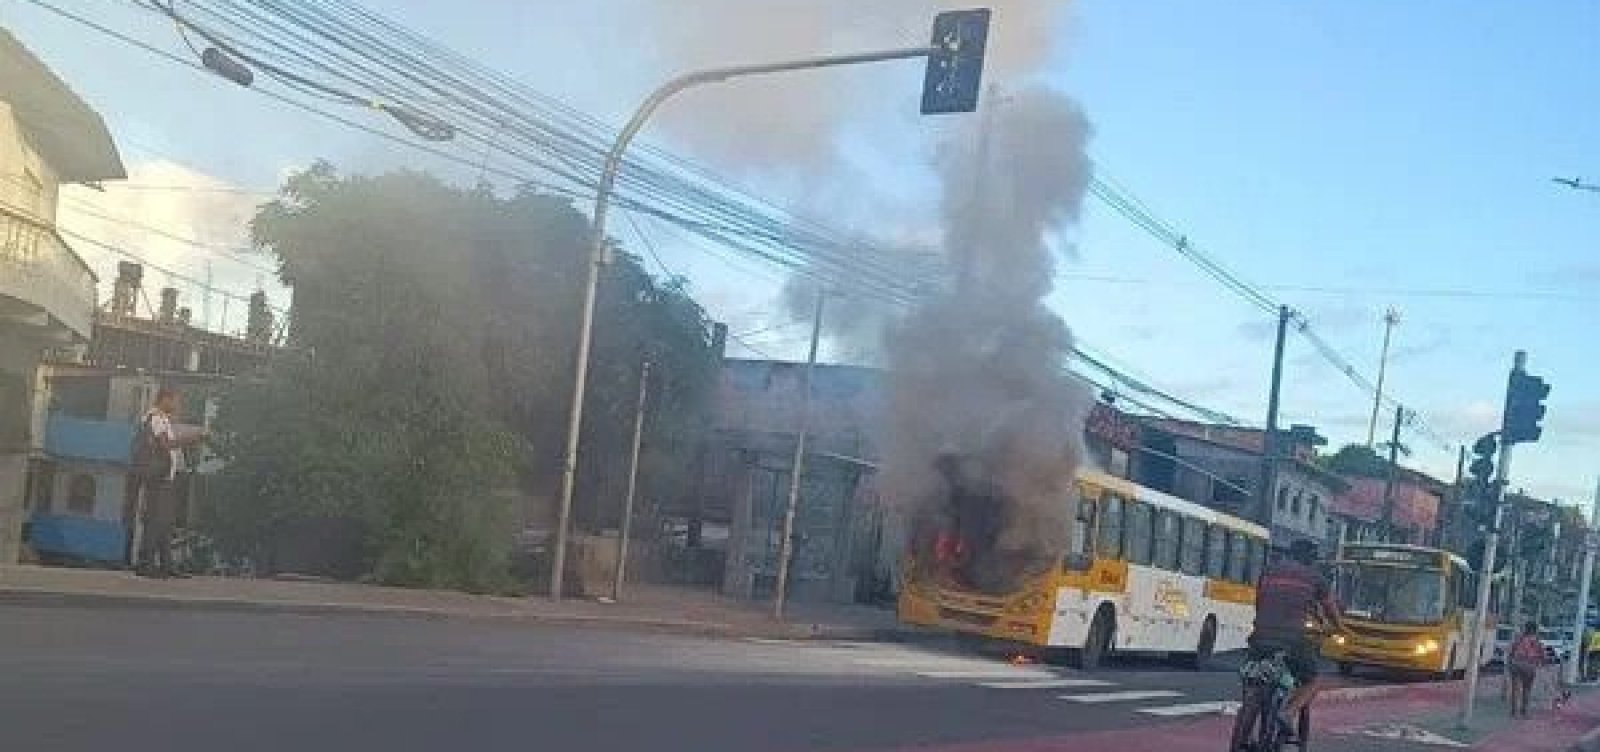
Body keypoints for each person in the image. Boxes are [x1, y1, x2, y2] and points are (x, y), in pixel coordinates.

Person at [1248, 538, 1346, 740]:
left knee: (1253, 676)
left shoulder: (1268, 572)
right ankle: (1288, 712)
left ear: (1289, 554)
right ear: (1311, 560)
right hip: (1293, 640)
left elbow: (1259, 603)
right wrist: (1339, 629)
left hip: (1260, 636)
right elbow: (1330, 611)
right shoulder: (1316, 579)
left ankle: (1249, 710)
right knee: (1312, 680)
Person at [126, 387, 205, 578]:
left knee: (165, 523)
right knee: (156, 521)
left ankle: (166, 565)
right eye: (175, 400)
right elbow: (166, 445)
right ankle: (146, 563)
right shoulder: (156, 418)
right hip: (158, 478)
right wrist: (192, 438)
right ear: (165, 400)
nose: (177, 405)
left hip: (163, 478)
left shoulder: (161, 419)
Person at [1507, 620, 1545, 718]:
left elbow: (1511, 651)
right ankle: (1525, 711)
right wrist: (1540, 662)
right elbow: (1542, 655)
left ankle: (1514, 712)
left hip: (1516, 664)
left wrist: (1510, 662)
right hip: (1529, 666)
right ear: (1535, 630)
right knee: (1527, 689)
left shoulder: (1519, 638)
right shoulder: (1537, 641)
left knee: (1516, 689)